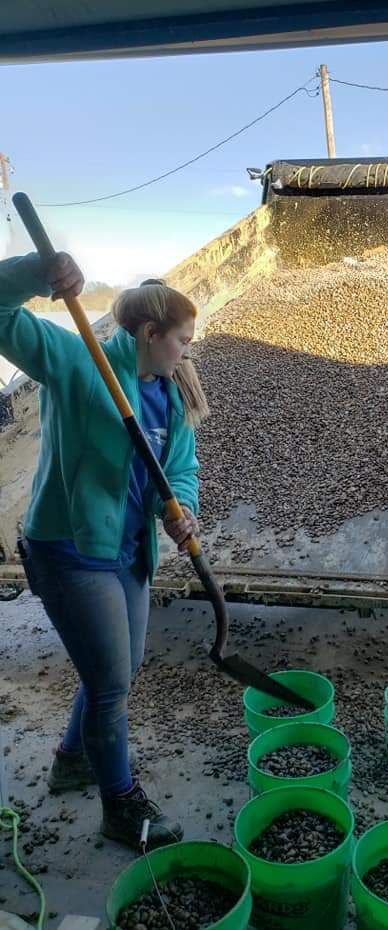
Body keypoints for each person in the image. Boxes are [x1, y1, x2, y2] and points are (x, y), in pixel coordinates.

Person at [0, 251, 209, 850]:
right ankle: (120, 806)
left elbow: (182, 468)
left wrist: (180, 506)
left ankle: (72, 759)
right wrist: (40, 272)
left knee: (117, 668)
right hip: (69, 549)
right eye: (183, 341)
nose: (186, 353)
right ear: (150, 334)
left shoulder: (168, 395)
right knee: (112, 682)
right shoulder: (76, 362)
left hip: (130, 551)